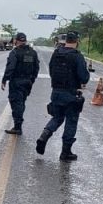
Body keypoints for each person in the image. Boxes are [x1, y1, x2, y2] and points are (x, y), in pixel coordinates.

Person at [36, 31, 90, 161]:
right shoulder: (77, 56)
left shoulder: (56, 53)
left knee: (57, 117)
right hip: (71, 94)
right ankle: (65, 152)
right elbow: (84, 77)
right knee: (71, 122)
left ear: (66, 41)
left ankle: (44, 136)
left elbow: (51, 70)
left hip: (56, 92)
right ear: (77, 41)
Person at [1, 32, 41, 135]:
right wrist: (32, 80)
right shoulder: (33, 53)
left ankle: (18, 127)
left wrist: (4, 80)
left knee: (16, 103)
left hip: (17, 82)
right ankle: (18, 125)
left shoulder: (15, 52)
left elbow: (10, 67)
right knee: (21, 102)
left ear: (16, 41)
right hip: (28, 82)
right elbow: (36, 68)